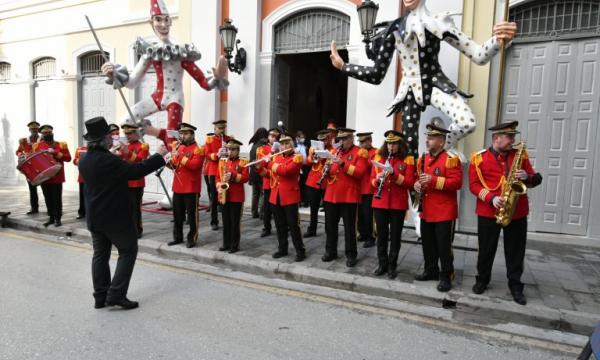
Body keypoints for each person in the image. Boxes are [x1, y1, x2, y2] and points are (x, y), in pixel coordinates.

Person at [330, 0, 517, 158]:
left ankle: (441, 152)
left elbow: (478, 55)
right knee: (409, 152)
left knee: (467, 122)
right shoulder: (395, 29)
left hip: (435, 82)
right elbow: (377, 74)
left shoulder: (439, 23)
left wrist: (497, 40)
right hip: (409, 90)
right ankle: (416, 197)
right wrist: (344, 66)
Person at [100, 0, 228, 146]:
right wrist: (114, 74)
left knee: (172, 139)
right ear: (151, 22)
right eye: (158, 20)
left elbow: (204, 83)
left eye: (166, 19)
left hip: (175, 99)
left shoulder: (180, 53)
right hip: (158, 96)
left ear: (170, 22)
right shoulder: (150, 52)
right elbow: (132, 83)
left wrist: (216, 77)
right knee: (126, 121)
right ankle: (133, 148)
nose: (163, 24)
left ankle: (159, 142)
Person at [79, 116, 167, 310]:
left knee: (100, 255)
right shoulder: (109, 160)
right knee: (128, 251)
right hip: (115, 217)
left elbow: (107, 170)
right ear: (105, 140)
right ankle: (116, 294)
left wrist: (112, 155)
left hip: (95, 216)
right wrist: (159, 156)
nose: (113, 138)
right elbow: (136, 171)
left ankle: (100, 296)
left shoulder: (85, 160)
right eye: (110, 136)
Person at [469, 121, 541, 305]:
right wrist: (491, 198)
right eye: (509, 137)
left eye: (513, 137)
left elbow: (533, 179)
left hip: (516, 211)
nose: (512, 141)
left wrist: (527, 177)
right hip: (488, 210)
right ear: (496, 138)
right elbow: (474, 185)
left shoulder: (520, 155)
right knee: (486, 249)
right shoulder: (479, 158)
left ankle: (515, 285)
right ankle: (482, 280)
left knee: (516, 250)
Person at [413, 119, 462, 292]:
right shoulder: (424, 158)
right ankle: (431, 270)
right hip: (427, 208)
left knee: (443, 246)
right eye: (427, 137)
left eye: (432, 138)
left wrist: (433, 180)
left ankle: (446, 275)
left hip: (444, 211)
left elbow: (456, 183)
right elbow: (418, 177)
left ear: (441, 141)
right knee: (428, 243)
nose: (427, 141)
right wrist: (416, 185)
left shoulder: (451, 159)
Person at [371, 130, 415, 279]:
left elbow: (409, 183)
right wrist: (377, 179)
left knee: (395, 237)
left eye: (394, 143)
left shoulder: (408, 159)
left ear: (400, 144)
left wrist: (394, 174)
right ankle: (382, 264)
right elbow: (371, 181)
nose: (391, 146)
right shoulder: (379, 158)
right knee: (381, 236)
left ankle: (392, 266)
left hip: (398, 203)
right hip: (380, 202)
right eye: (389, 143)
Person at [321, 128, 368, 267]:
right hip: (331, 195)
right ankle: (331, 251)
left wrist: (342, 163)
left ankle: (351, 254)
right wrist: (327, 169)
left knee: (349, 228)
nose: (342, 142)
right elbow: (331, 173)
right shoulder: (335, 152)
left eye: (345, 139)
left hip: (349, 196)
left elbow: (359, 173)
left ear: (351, 139)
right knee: (330, 226)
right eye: (340, 140)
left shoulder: (360, 152)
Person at [267, 134, 306, 262]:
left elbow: (285, 171)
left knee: (293, 226)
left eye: (287, 144)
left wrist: (270, 163)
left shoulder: (297, 158)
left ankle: (300, 251)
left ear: (292, 145)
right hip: (276, 195)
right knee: (279, 225)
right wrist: (259, 168)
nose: (285, 146)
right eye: (282, 144)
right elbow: (271, 174)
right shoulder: (277, 157)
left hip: (290, 196)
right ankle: (282, 249)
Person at [168, 123, 205, 248]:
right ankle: (177, 237)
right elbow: (174, 165)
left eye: (185, 134)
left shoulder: (198, 149)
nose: (183, 136)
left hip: (191, 187)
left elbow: (194, 166)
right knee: (177, 215)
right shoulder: (178, 147)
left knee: (192, 215)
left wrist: (180, 155)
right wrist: (168, 162)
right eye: (181, 134)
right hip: (178, 186)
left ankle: (192, 238)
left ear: (192, 135)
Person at [33, 125, 72, 227]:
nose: (47, 135)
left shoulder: (61, 145)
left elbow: (68, 158)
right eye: (45, 133)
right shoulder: (37, 146)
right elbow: (35, 160)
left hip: (57, 176)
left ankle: (57, 219)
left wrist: (55, 152)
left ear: (52, 133)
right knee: (48, 198)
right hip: (44, 177)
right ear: (42, 134)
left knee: (57, 198)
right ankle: (51, 218)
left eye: (49, 133)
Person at [216, 139, 249, 253]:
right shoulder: (222, 161)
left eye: (233, 150)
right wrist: (219, 185)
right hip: (225, 195)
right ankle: (226, 243)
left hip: (237, 197)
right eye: (229, 149)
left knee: (235, 222)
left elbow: (245, 178)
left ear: (238, 150)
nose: (230, 152)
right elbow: (217, 177)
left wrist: (233, 176)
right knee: (225, 221)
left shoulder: (243, 162)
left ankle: (234, 245)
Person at [303, 128, 335, 237]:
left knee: (328, 209)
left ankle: (329, 230)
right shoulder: (313, 148)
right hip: (313, 181)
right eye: (321, 140)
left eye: (325, 140)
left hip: (326, 182)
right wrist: (313, 158)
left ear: (329, 139)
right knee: (313, 207)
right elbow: (307, 162)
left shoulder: (333, 150)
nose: (324, 142)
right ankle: (312, 229)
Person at [120, 123, 150, 238]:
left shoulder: (143, 146)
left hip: (136, 182)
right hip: (124, 181)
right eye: (126, 134)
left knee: (135, 208)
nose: (127, 136)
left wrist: (128, 153)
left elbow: (141, 161)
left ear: (136, 134)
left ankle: (137, 230)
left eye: (130, 133)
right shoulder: (124, 146)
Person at [204, 120, 231, 230]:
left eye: (223, 128)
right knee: (214, 196)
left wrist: (227, 151)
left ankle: (227, 219)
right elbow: (206, 154)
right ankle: (214, 221)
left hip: (225, 169)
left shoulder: (228, 139)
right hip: (213, 170)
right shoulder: (210, 139)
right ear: (215, 129)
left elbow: (234, 152)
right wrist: (217, 154)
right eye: (219, 128)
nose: (221, 130)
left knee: (226, 195)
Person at [255, 128, 280, 237]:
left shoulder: (282, 148)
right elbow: (260, 165)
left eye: (275, 136)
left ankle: (282, 226)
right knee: (267, 207)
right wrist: (271, 152)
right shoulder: (262, 149)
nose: (273, 138)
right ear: (268, 137)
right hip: (268, 181)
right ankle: (266, 227)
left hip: (279, 181)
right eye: (271, 135)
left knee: (278, 207)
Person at [356, 132, 378, 248]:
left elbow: (374, 167)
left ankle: (371, 237)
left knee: (368, 214)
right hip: (358, 187)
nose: (361, 144)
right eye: (360, 142)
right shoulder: (358, 152)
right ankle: (363, 233)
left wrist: (365, 158)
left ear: (370, 141)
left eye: (364, 141)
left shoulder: (376, 152)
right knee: (359, 214)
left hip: (369, 188)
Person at [16, 121, 40, 215]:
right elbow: (18, 151)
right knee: (32, 189)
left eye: (36, 129)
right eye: (32, 129)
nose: (34, 131)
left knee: (46, 189)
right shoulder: (24, 141)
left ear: (38, 130)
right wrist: (21, 154)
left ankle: (50, 209)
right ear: (29, 130)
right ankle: (34, 208)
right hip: (30, 167)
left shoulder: (42, 139)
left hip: (41, 166)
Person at [248, 127, 268, 219]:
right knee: (262, 194)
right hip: (260, 172)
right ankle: (262, 213)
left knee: (255, 194)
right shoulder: (263, 146)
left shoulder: (254, 145)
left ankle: (254, 212)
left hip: (253, 173)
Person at [73, 144, 88, 219]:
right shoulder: (80, 149)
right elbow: (75, 160)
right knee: (82, 196)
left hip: (93, 177)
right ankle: (81, 212)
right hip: (82, 176)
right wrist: (77, 160)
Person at [295, 130, 309, 207]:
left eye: (304, 137)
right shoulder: (294, 146)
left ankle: (305, 201)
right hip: (297, 167)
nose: (303, 139)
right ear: (297, 138)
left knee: (305, 184)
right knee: (298, 185)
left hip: (305, 167)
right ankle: (299, 201)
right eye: (301, 137)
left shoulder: (305, 146)